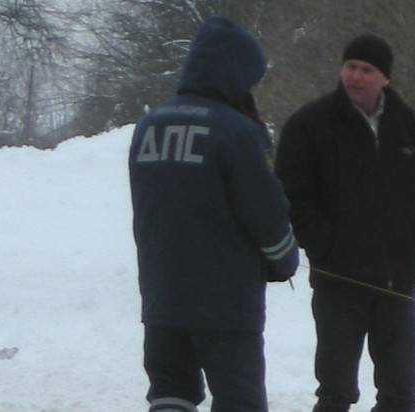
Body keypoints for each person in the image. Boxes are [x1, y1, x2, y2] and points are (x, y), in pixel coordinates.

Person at [129, 16, 298, 412]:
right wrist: (285, 261)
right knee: (239, 402)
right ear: (234, 71)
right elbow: (267, 216)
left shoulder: (148, 127)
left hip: (162, 299)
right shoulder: (235, 132)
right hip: (226, 307)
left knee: (171, 396)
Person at [275, 34, 415, 412]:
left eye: (367, 70)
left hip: (397, 282)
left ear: (385, 77)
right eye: (350, 66)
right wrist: (324, 246)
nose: (356, 76)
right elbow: (292, 195)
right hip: (339, 282)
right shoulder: (309, 125)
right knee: (336, 393)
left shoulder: (410, 126)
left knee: (400, 394)